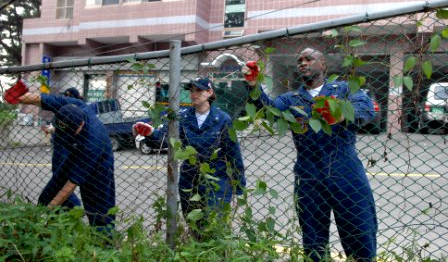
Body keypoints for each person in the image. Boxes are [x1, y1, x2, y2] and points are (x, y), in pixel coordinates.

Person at [242, 48, 377, 261]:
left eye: (308, 59)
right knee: (313, 239)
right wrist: (253, 85)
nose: (302, 63)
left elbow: (367, 109)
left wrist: (341, 116)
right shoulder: (291, 99)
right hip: (308, 173)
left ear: (322, 65)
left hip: (345, 169)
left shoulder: (342, 90)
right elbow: (268, 110)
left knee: (359, 230)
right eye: (299, 60)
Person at [133, 77, 246, 236]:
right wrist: (150, 132)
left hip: (216, 181)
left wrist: (239, 185)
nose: (193, 94)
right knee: (194, 226)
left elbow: (233, 153)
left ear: (210, 92)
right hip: (190, 179)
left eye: (198, 90)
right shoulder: (182, 117)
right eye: (191, 90)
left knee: (214, 225)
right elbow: (165, 137)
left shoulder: (222, 119)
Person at [3, 80, 116, 229]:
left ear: (80, 126)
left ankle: (104, 242)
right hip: (74, 154)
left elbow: (72, 183)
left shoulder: (92, 142)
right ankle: (66, 224)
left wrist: (49, 211)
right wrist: (20, 98)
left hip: (99, 167)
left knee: (99, 213)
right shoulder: (72, 104)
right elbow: (43, 99)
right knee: (49, 194)